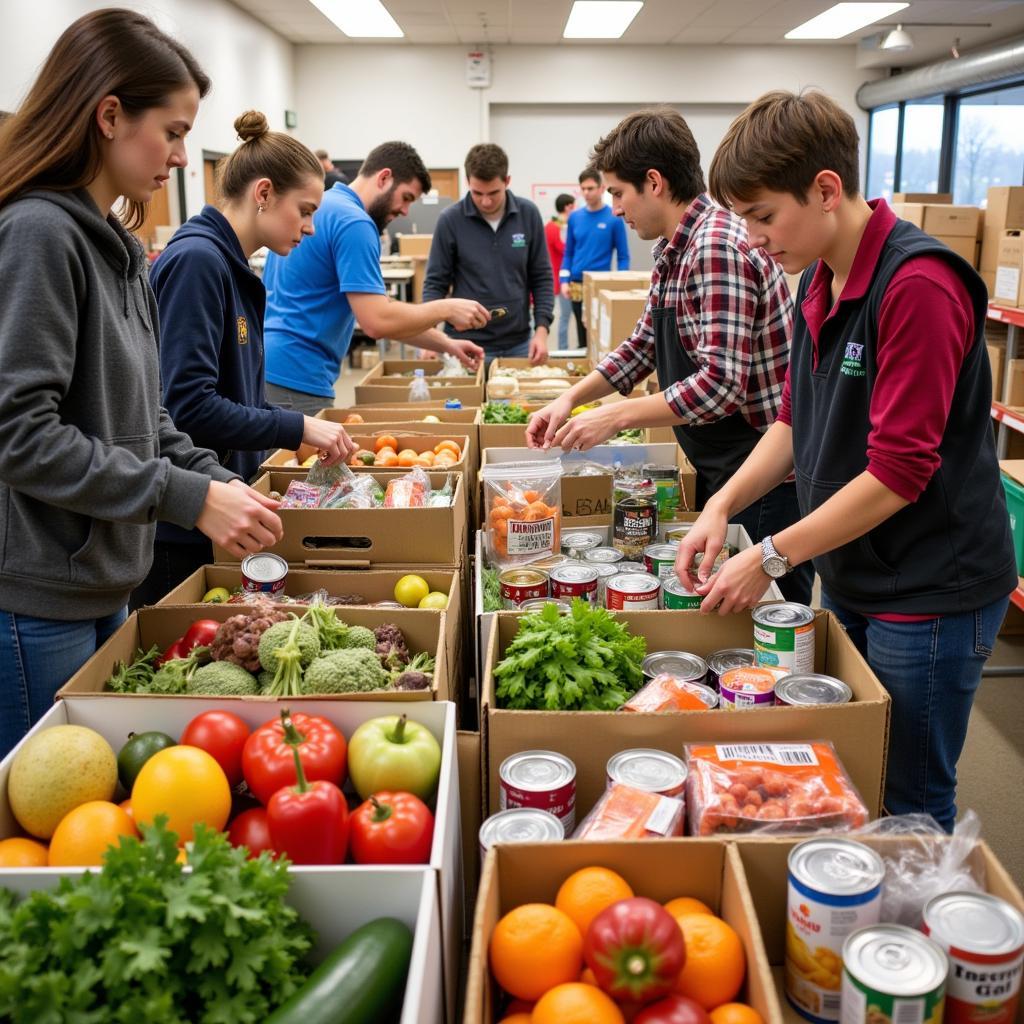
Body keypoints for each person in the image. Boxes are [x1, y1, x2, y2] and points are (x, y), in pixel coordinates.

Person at [678, 90, 1016, 830]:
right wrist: (721, 506)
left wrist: (767, 557)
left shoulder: (918, 286)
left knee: (910, 791)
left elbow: (898, 473)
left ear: (827, 190)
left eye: (764, 216)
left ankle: (917, 940)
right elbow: (798, 422)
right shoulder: (818, 280)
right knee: (852, 766)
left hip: (930, 585)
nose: (755, 238)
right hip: (856, 570)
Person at [0, 9, 283, 758]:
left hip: (103, 578)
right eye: (175, 130)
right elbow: (20, 435)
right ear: (109, 115)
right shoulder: (40, 234)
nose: (186, 158)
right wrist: (186, 497)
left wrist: (219, 482)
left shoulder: (120, 249)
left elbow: (149, 420)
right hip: (36, 600)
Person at [527, 108, 811, 604]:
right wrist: (570, 399)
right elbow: (642, 347)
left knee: (768, 620)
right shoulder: (675, 249)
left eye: (618, 192)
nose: (614, 208)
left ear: (653, 181)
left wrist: (614, 417)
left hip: (764, 479)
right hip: (724, 468)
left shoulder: (715, 247)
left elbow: (720, 386)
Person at [130, 112, 359, 609]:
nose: (310, 227)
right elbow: (185, 407)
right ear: (263, 193)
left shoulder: (229, 265)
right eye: (304, 210)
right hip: (183, 528)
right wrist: (293, 425)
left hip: (220, 501)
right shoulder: (198, 262)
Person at [263, 142, 488, 415]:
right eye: (405, 198)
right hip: (297, 378)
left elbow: (378, 308)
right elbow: (377, 321)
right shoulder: (354, 222)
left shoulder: (326, 206)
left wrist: (447, 345)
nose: (405, 211)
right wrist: (447, 308)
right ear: (384, 178)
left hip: (268, 366)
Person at [423, 143, 554, 370]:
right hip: (463, 344)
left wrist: (541, 331)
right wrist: (429, 334)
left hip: (518, 343)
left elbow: (541, 277)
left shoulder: (528, 214)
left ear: (507, 181)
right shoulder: (450, 220)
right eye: (477, 193)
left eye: (493, 193)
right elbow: (435, 283)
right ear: (468, 183)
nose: (485, 201)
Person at [560, 166, 630, 351]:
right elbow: (568, 252)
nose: (586, 192)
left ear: (601, 188)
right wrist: (563, 280)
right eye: (583, 188)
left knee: (600, 336)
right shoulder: (575, 217)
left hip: (601, 285)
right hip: (576, 284)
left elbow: (623, 256)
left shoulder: (613, 218)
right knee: (582, 336)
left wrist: (622, 281)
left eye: (590, 188)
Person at [546, 193, 575, 351]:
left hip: (558, 276)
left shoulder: (553, 225)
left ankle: (563, 348)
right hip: (561, 277)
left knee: (565, 316)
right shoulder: (555, 227)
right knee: (565, 317)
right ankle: (563, 349)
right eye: (573, 205)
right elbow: (563, 249)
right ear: (568, 206)